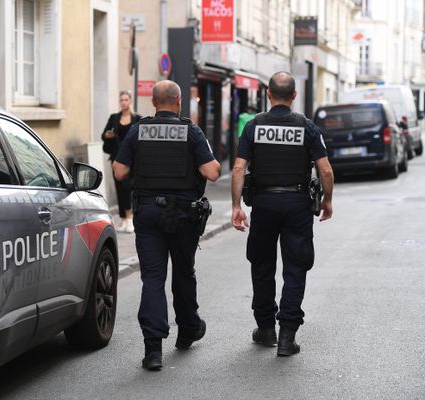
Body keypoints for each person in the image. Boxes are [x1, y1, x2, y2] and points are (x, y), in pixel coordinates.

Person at [113, 80, 221, 370]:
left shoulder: (139, 129)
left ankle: (153, 351)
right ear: (179, 101)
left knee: (152, 278)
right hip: (183, 214)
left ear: (153, 102)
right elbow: (212, 172)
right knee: (184, 273)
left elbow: (120, 171)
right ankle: (187, 329)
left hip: (147, 213)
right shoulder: (191, 131)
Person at [230, 71, 334, 356]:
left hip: (263, 203)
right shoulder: (307, 127)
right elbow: (325, 169)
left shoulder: (253, 127)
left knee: (262, 265)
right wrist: (327, 200)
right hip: (297, 204)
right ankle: (287, 336)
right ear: (294, 96)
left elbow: (239, 168)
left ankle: (265, 329)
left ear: (268, 94)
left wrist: (236, 206)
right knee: (295, 267)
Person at [101, 91, 141, 233]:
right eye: (121, 100)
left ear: (130, 101)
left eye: (126, 99)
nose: (123, 102)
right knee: (119, 187)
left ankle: (130, 219)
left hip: (133, 160)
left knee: (128, 188)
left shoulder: (137, 119)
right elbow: (104, 134)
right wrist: (108, 135)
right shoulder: (114, 118)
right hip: (117, 158)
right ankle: (124, 218)